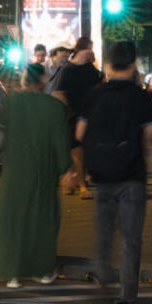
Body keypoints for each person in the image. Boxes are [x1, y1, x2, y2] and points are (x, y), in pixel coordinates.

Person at [73, 40, 152, 304]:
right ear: (133, 65)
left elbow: (80, 133)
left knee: (104, 236)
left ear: (108, 65)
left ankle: (103, 281)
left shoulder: (94, 94)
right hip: (131, 177)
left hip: (102, 176)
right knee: (130, 240)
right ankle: (127, 303)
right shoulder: (139, 98)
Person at [0, 62, 70, 287]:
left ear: (24, 79)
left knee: (12, 220)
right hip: (43, 172)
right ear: (43, 81)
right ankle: (40, 270)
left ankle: (11, 272)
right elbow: (60, 145)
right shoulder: (55, 107)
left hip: (14, 171)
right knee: (41, 221)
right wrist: (65, 167)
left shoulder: (12, 103)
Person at [54, 37, 103, 194]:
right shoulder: (68, 69)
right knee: (76, 150)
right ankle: (79, 183)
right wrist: (70, 108)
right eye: (90, 49)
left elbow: (101, 86)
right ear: (85, 49)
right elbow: (58, 92)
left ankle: (74, 179)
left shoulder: (91, 70)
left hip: (87, 115)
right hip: (74, 115)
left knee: (82, 150)